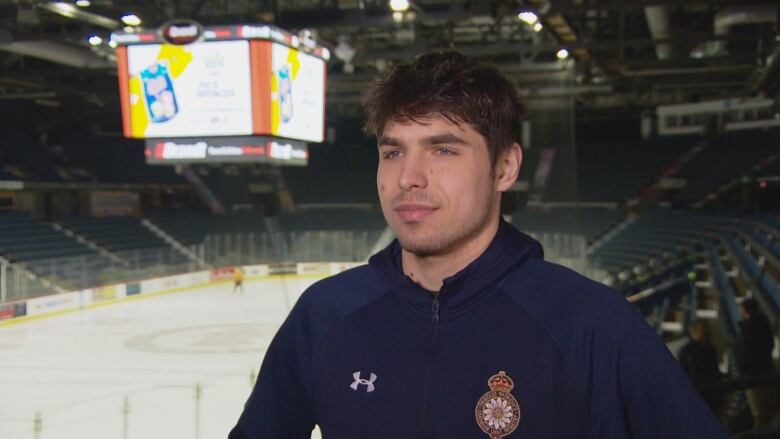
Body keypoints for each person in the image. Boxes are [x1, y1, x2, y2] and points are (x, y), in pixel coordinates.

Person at [229, 51, 728, 438]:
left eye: (443, 149)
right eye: (393, 151)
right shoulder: (325, 314)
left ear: (505, 168)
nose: (409, 177)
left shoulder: (590, 323)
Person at [738, 298, 775, 429]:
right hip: (766, 370)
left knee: (759, 413)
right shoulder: (763, 322)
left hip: (753, 375)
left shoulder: (749, 328)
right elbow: (771, 345)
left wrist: (743, 371)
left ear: (746, 310)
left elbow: (747, 354)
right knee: (766, 409)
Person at [678, 320, 724, 415]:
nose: (707, 331)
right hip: (700, 396)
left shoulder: (710, 349)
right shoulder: (688, 352)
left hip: (709, 396)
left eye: (707, 328)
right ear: (694, 331)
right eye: (703, 328)